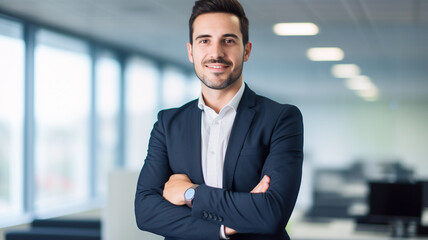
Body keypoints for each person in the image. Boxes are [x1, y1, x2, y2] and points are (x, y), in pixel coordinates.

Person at [134, 0, 303, 239]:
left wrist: (190, 193)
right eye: (204, 40)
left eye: (228, 40)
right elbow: (146, 212)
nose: (216, 53)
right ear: (191, 51)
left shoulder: (281, 119)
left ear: (246, 50)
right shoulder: (168, 124)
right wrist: (225, 228)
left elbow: (272, 213)